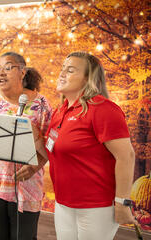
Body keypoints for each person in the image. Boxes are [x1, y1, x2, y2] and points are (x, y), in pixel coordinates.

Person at [45, 51, 136, 240]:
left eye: (70, 70)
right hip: (63, 204)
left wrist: (122, 202)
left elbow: (126, 156)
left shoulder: (103, 110)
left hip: (96, 207)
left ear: (89, 78)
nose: (62, 73)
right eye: (62, 69)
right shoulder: (60, 111)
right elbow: (53, 149)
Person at [0, 52, 52, 240]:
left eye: (8, 68)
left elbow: (49, 145)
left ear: (22, 72)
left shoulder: (41, 104)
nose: (1, 73)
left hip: (26, 184)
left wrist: (34, 167)